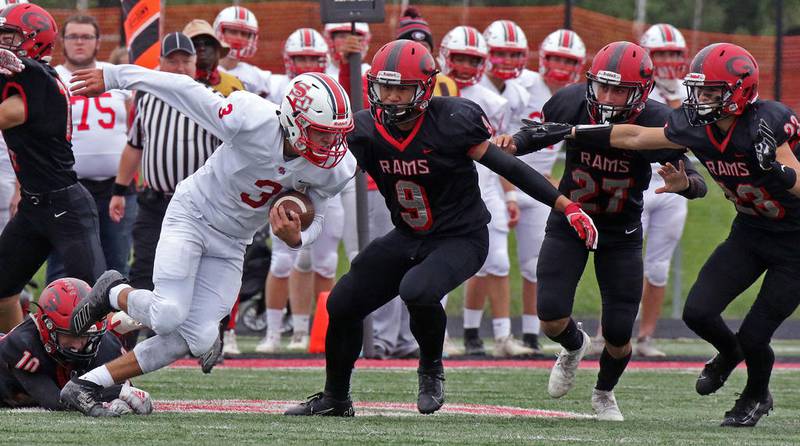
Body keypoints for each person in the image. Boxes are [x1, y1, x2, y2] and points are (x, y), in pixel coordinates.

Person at [283, 40, 597, 417]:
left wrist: (565, 205)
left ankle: (431, 368)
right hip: (408, 235)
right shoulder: (364, 129)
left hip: (461, 237)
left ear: (425, 89)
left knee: (417, 289)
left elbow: (508, 167)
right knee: (342, 303)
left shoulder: (452, 121)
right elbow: (321, 175)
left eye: (402, 88)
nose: (393, 97)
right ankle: (336, 398)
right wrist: (291, 202)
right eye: (386, 87)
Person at [58, 61, 356, 416]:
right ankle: (112, 291)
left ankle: (87, 383)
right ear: (293, 120)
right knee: (168, 314)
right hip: (193, 215)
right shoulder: (251, 118)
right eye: (323, 133)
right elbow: (184, 91)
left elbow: (316, 217)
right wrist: (115, 76)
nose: (332, 142)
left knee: (197, 338)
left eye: (336, 133)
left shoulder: (337, 166)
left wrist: (296, 238)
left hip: (233, 241)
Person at [559, 43, 800, 427]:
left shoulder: (767, 121)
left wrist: (775, 169)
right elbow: (636, 137)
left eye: (711, 92)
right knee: (698, 312)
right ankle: (728, 351)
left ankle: (756, 395)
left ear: (738, 91)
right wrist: (572, 131)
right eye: (699, 90)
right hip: (751, 232)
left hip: (795, 242)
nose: (701, 99)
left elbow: (797, 181)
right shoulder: (696, 126)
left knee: (757, 333)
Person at [504, 41, 707, 421]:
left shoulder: (655, 119)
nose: (610, 98)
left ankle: (604, 392)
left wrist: (686, 184)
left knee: (617, 333)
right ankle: (574, 344)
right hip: (572, 218)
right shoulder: (570, 102)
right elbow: (538, 134)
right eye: (604, 87)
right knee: (549, 317)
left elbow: (696, 179)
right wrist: (512, 142)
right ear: (591, 82)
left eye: (621, 90)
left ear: (642, 92)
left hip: (621, 230)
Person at [107, 33, 222, 353]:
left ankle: (207, 340)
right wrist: (119, 189)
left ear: (196, 64)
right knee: (143, 268)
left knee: (205, 272)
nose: (179, 67)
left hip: (200, 205)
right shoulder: (146, 98)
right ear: (160, 64)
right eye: (172, 60)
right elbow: (134, 145)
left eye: (186, 60)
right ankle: (124, 344)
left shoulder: (210, 98)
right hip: (155, 200)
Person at [0, 3, 106, 333]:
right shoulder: (24, 74)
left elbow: (7, 115)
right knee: (2, 292)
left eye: (9, 36)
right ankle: (14, 362)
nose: (3, 43)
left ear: (35, 39)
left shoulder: (35, 76)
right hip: (34, 204)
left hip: (65, 205)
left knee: (92, 301)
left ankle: (116, 376)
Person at [439, 25, 531, 357]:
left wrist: (509, 195)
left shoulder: (494, 101)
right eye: (459, 57)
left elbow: (500, 152)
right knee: (441, 262)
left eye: (471, 59)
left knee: (500, 262)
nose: (464, 65)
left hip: (486, 184)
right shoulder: (434, 89)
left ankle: (504, 337)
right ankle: (441, 334)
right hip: (444, 186)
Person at [256, 27, 343, 353]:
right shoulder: (277, 86)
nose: (307, 63)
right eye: (300, 57)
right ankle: (277, 333)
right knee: (281, 261)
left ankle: (319, 333)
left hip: (324, 180)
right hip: (287, 182)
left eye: (312, 58)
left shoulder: (336, 84)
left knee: (325, 263)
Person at [511, 28, 586, 352]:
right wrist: (507, 190)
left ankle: (530, 333)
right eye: (554, 57)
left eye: (566, 60)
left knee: (534, 263)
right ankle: (479, 331)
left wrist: (554, 178)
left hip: (540, 183)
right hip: (502, 176)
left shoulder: (573, 96)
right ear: (542, 58)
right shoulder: (522, 87)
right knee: (492, 260)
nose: (559, 65)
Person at [47, 14, 138, 285]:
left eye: (86, 36)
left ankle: (113, 328)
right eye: (73, 36)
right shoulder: (50, 78)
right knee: (63, 267)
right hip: (67, 188)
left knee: (116, 264)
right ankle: (58, 326)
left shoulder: (114, 74)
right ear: (62, 41)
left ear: (98, 42)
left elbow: (138, 128)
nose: (79, 42)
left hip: (117, 188)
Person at [183, 18, 245, 357]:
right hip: (187, 188)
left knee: (226, 263)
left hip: (225, 189)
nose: (203, 50)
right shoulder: (182, 85)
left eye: (208, 44)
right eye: (197, 45)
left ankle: (227, 328)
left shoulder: (235, 85)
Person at [0, 278, 151, 416]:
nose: (80, 345)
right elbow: (56, 401)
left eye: (85, 335)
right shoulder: (22, 344)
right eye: (72, 335)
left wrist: (121, 394)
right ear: (47, 327)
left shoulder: (106, 344)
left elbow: (127, 390)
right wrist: (118, 393)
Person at [633, 23, 692, 357]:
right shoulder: (637, 89)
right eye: (662, 54)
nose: (669, 60)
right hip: (641, 185)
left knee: (657, 267)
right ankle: (607, 329)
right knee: (624, 261)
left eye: (675, 53)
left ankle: (646, 337)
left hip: (673, 188)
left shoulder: (691, 91)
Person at [214, 5, 270, 97]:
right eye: (233, 31)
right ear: (220, 31)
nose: (239, 38)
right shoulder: (204, 68)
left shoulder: (257, 77)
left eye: (244, 34)